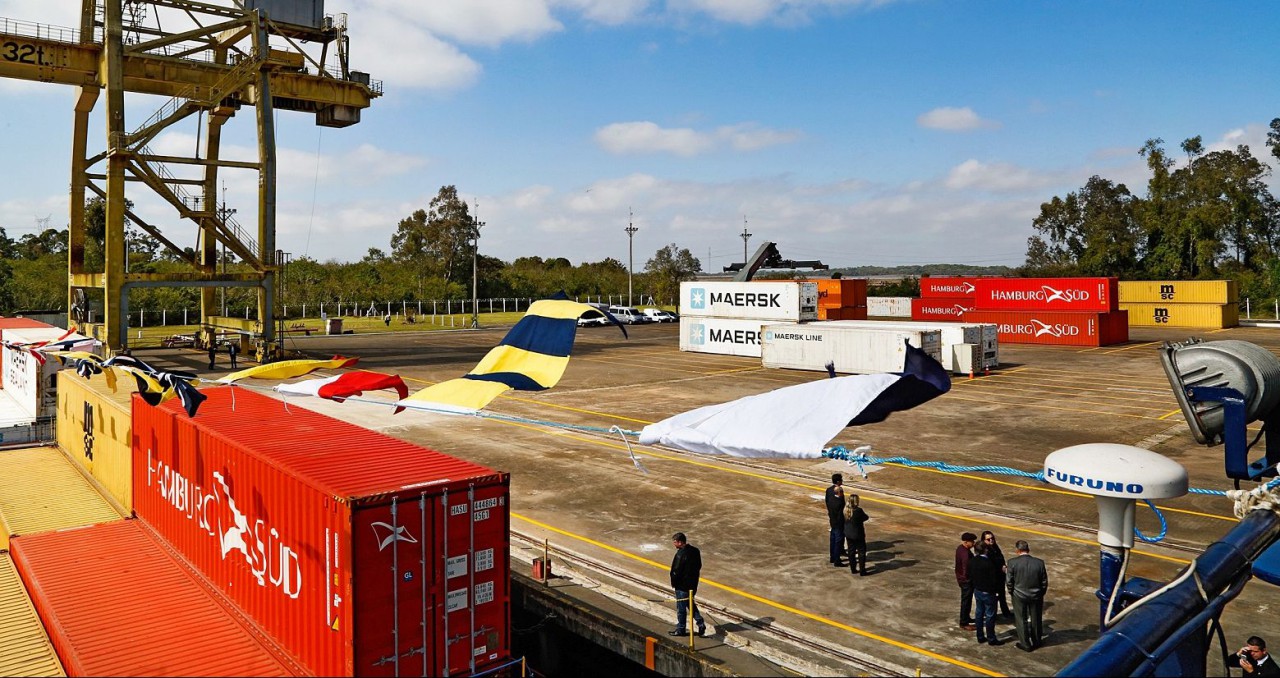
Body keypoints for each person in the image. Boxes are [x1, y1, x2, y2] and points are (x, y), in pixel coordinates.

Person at [1005, 540, 1049, 651]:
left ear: (1017, 550)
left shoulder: (1012, 563)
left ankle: (1025, 643)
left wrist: (1012, 592)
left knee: (1021, 619)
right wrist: (1040, 593)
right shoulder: (1039, 563)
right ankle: (1037, 641)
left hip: (1018, 595)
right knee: (1036, 618)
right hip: (1036, 595)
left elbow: (1009, 581)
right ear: (1028, 550)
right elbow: (1044, 581)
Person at [669, 532, 706, 637]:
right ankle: (700, 623)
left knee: (681, 609)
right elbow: (699, 566)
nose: (674, 544)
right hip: (692, 585)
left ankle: (681, 629)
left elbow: (676, 571)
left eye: (675, 542)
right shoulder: (695, 551)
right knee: (690, 604)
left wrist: (674, 582)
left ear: (680, 542)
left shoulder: (680, 554)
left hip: (682, 586)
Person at [969, 541, 1004, 646]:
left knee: (979, 613)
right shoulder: (989, 563)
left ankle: (980, 636)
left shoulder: (972, 561)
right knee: (990, 615)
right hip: (988, 593)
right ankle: (991, 638)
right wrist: (997, 592)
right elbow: (994, 580)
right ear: (985, 550)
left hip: (978, 590)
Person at [981, 531, 1012, 617]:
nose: (991, 540)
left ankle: (1005, 612)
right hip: (992, 578)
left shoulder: (995, 548)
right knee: (992, 598)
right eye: (988, 539)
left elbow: (1000, 558)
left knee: (1002, 596)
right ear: (984, 540)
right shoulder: (985, 551)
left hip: (1000, 576)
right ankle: (990, 614)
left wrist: (1004, 566)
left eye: (992, 538)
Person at [955, 532, 978, 631]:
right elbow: (966, 569)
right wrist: (969, 580)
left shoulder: (961, 548)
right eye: (971, 541)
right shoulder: (965, 554)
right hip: (966, 581)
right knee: (966, 601)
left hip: (962, 579)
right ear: (966, 542)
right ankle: (964, 622)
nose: (973, 543)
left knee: (966, 601)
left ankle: (966, 617)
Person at [843, 494, 870, 576]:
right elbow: (866, 517)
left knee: (851, 552)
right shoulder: (858, 510)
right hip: (858, 534)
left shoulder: (845, 510)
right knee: (861, 552)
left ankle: (853, 569)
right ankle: (862, 570)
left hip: (848, 534)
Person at [825, 474, 846, 567]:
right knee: (838, 539)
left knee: (833, 538)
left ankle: (832, 556)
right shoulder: (839, 499)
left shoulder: (829, 490)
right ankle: (837, 559)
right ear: (838, 481)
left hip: (832, 518)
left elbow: (827, 501)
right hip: (838, 520)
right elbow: (842, 506)